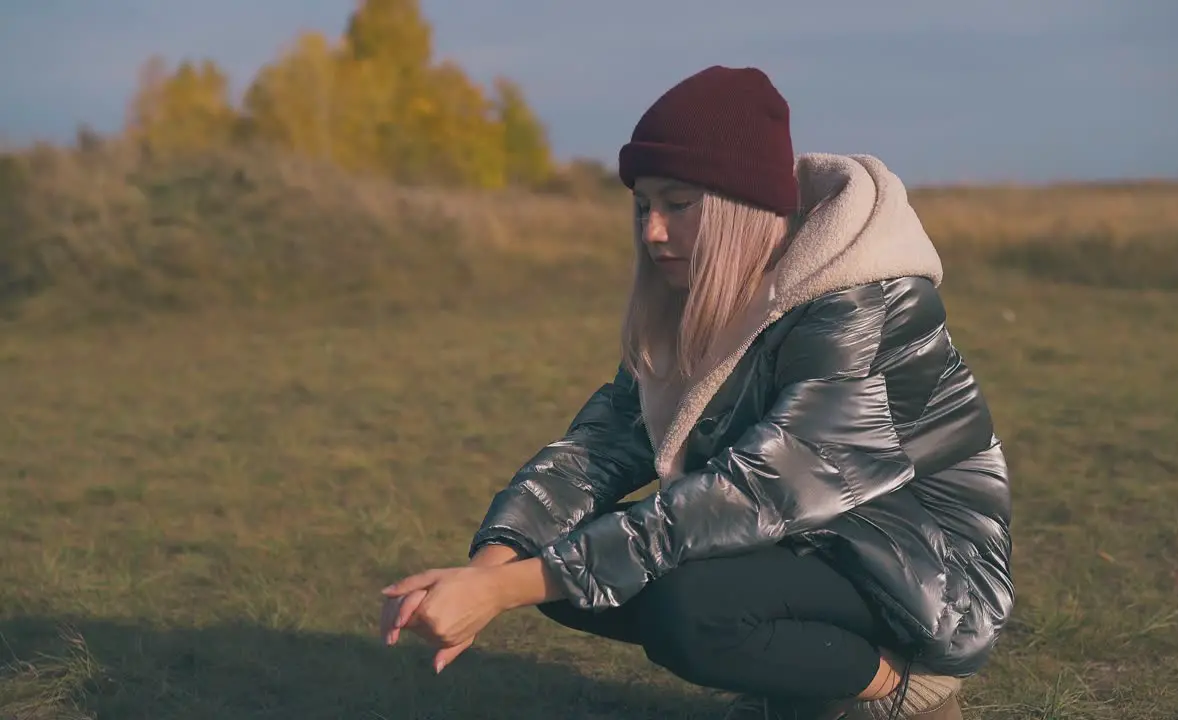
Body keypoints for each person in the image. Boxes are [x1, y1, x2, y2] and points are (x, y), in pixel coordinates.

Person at [379, 65, 1014, 720]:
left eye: (677, 205)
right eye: (642, 206)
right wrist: (489, 570)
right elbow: (597, 449)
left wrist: (506, 590)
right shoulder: (701, 300)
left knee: (689, 611)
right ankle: (808, 683)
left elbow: (761, 487)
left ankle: (903, 690)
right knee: (563, 561)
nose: (652, 231)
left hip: (920, 571)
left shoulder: (865, 299)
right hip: (800, 538)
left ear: (743, 207)